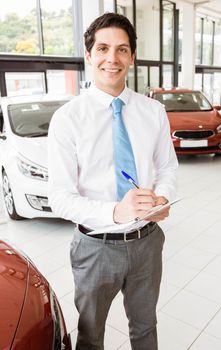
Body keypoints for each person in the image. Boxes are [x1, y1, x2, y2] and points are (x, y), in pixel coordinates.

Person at [48, 12, 178, 350]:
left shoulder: (153, 112)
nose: (112, 58)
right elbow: (60, 198)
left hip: (147, 243)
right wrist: (116, 212)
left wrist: (162, 198)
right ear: (89, 55)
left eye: (122, 50)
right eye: (103, 48)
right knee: (91, 335)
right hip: (95, 247)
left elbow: (167, 168)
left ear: (132, 57)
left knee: (146, 329)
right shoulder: (67, 119)